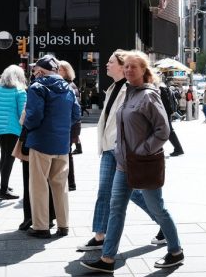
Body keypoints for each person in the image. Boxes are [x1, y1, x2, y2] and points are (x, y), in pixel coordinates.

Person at [81, 50, 184, 273]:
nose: (128, 70)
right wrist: (120, 147)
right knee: (116, 208)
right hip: (123, 163)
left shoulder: (149, 95)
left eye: (133, 67)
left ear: (143, 70)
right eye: (126, 66)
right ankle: (107, 259)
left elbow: (163, 130)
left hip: (145, 164)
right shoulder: (127, 92)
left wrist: (142, 150)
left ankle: (176, 251)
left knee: (158, 209)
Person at [25, 55, 81, 238]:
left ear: (40, 71)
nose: (33, 72)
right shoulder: (68, 87)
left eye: (35, 70)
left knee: (39, 186)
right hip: (61, 143)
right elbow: (76, 114)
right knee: (60, 185)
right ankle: (63, 225)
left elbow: (33, 117)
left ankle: (41, 227)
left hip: (41, 141)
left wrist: (29, 127)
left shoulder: (37, 87)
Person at [0, 65, 26, 200]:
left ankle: (4, 185)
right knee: (9, 157)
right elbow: (22, 113)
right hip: (13, 128)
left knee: (4, 155)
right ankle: (3, 189)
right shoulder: (20, 91)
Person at [58, 60, 81, 191]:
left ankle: (71, 183)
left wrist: (67, 126)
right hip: (68, 127)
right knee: (67, 154)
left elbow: (75, 112)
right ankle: (70, 183)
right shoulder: (65, 84)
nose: (57, 72)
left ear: (66, 72)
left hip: (69, 127)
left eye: (60, 70)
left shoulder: (69, 86)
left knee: (67, 154)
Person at [159, 82, 185, 157]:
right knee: (169, 132)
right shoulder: (163, 87)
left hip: (164, 113)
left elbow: (165, 102)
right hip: (166, 113)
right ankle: (178, 149)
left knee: (169, 132)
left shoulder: (160, 88)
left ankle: (178, 149)